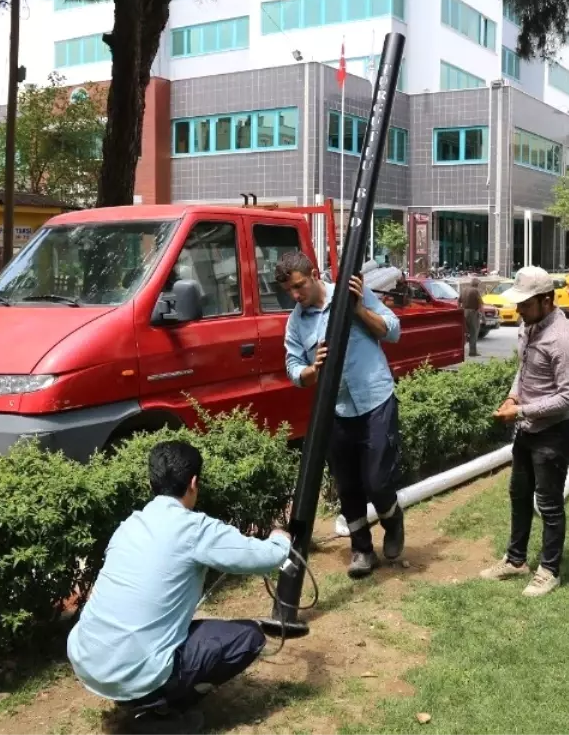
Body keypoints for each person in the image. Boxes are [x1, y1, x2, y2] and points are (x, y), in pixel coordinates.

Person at [67, 441, 290, 713]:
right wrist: (280, 540)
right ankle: (162, 708)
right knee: (249, 637)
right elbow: (264, 557)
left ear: (152, 482)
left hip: (87, 660)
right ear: (193, 482)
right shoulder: (193, 528)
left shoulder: (129, 526)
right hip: (138, 672)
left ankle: (135, 694)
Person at [276, 251, 404, 578]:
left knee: (376, 480)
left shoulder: (352, 293)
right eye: (290, 290)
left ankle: (392, 520)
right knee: (347, 485)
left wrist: (359, 310)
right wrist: (311, 370)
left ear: (315, 274)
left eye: (300, 286)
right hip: (334, 409)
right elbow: (292, 368)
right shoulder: (296, 322)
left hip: (375, 400)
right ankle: (362, 550)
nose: (296, 295)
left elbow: (393, 331)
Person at [480, 266, 569, 598]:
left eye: (525, 304)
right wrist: (513, 396)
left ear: (546, 300)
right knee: (519, 494)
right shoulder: (530, 326)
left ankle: (549, 570)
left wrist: (519, 410)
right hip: (528, 428)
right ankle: (515, 560)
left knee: (549, 503)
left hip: (555, 431)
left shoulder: (564, 340)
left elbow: (568, 398)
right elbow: (523, 371)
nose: (518, 310)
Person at [460, 277, 484, 357]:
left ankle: (460, 350)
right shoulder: (475, 291)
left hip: (463, 312)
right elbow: (480, 304)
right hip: (473, 313)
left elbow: (458, 301)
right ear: (477, 284)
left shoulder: (464, 290)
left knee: (464, 332)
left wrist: (460, 311)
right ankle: (472, 352)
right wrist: (482, 315)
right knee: (474, 332)